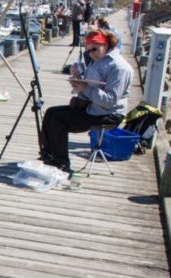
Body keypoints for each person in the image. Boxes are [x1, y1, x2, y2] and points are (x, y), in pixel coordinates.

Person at [39, 30, 132, 176]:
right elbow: (89, 86)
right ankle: (49, 155)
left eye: (94, 49)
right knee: (51, 112)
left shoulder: (119, 67)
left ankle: (62, 163)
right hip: (92, 106)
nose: (91, 53)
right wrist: (78, 78)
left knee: (59, 121)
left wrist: (84, 88)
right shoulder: (98, 61)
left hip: (108, 113)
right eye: (88, 51)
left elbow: (110, 100)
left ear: (106, 44)